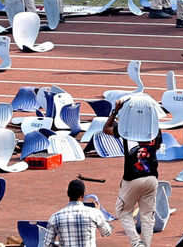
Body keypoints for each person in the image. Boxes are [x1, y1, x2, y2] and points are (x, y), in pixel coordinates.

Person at [103, 96, 162, 247]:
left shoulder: (124, 129)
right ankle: (146, 245)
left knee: (123, 211)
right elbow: (157, 146)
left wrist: (115, 111)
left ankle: (136, 243)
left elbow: (106, 128)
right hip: (151, 178)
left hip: (132, 178)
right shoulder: (155, 130)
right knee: (147, 215)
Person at [44, 178, 112, 246]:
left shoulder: (56, 217)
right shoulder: (94, 213)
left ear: (68, 194)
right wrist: (99, 212)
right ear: (83, 195)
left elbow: (47, 244)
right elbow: (107, 232)